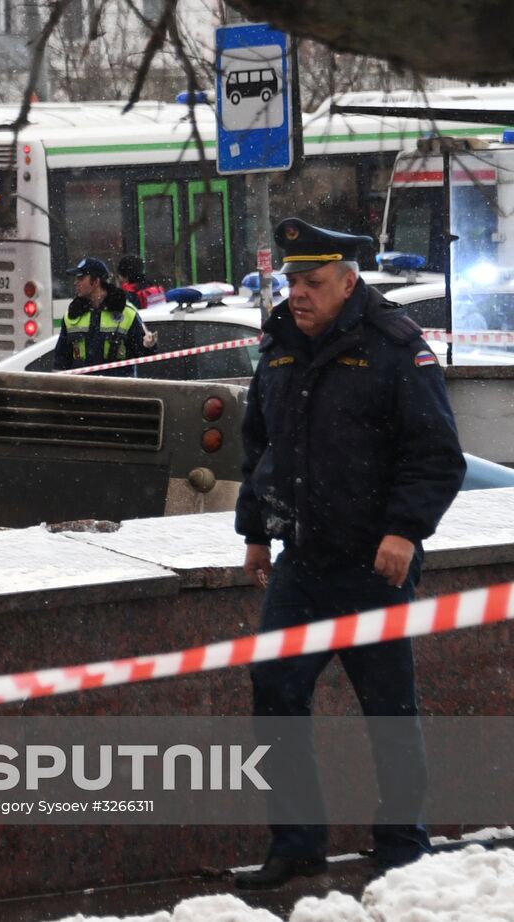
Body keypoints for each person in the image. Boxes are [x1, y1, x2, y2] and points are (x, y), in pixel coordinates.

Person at [233, 218, 466, 889]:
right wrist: (254, 531)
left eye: (310, 283)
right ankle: (297, 842)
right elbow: (259, 448)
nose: (296, 295)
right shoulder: (279, 343)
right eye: (290, 281)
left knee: (388, 706)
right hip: (300, 562)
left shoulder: (395, 345)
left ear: (347, 280)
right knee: (275, 691)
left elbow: (435, 455)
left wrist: (403, 531)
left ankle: (401, 843)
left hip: (373, 563)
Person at [53, 257, 157, 376]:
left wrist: (148, 345)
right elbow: (60, 362)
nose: (76, 282)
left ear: (96, 281)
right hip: (83, 392)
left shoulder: (127, 313)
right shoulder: (72, 316)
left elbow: (144, 354)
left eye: (81, 278)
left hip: (116, 392)